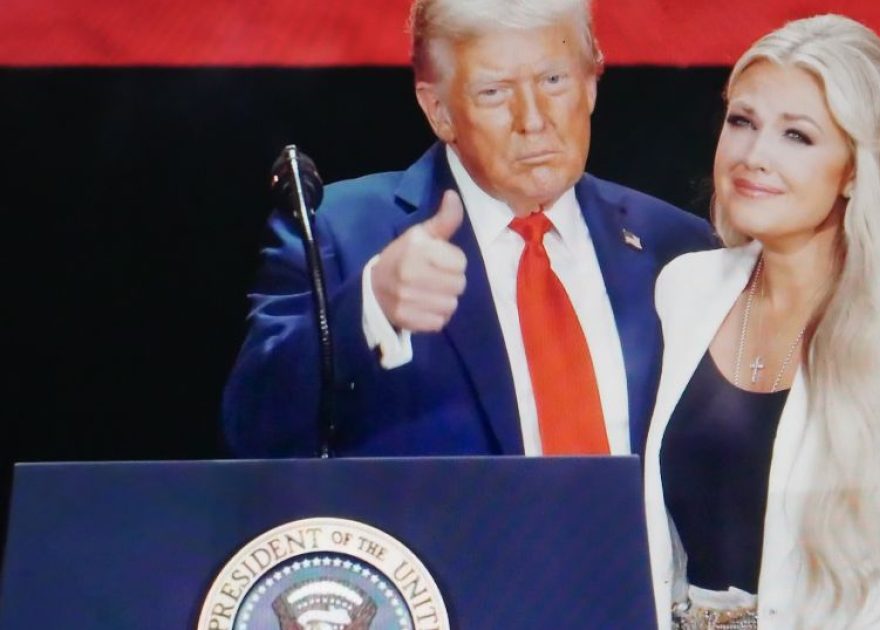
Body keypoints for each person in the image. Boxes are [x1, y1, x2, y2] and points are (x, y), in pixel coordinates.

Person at [642, 15, 880, 629]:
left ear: (856, 167)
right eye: (742, 122)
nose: (753, 156)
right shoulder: (686, 289)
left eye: (796, 136)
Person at [222, 0, 715, 457]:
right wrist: (370, 308)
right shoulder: (341, 234)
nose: (533, 119)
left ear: (590, 84)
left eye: (553, 80)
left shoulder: (678, 247)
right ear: (438, 111)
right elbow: (253, 431)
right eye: (494, 92)